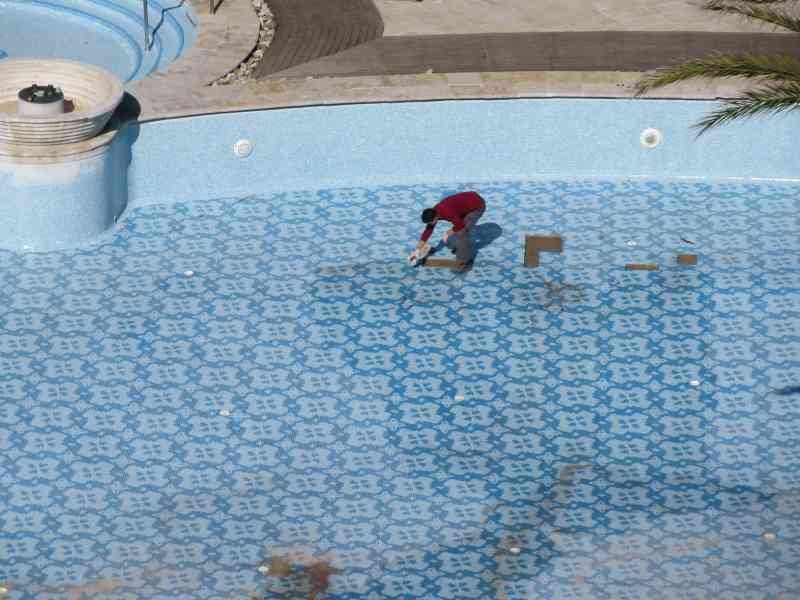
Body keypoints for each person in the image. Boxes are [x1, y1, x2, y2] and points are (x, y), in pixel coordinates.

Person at [408, 191, 486, 271]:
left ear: (435, 217)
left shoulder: (447, 212)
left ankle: (464, 261)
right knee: (456, 232)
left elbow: (460, 225)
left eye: (430, 222)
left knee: (462, 232)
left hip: (477, 206)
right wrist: (417, 251)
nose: (430, 224)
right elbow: (428, 230)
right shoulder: (434, 212)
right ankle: (461, 248)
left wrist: (449, 232)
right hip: (467, 202)